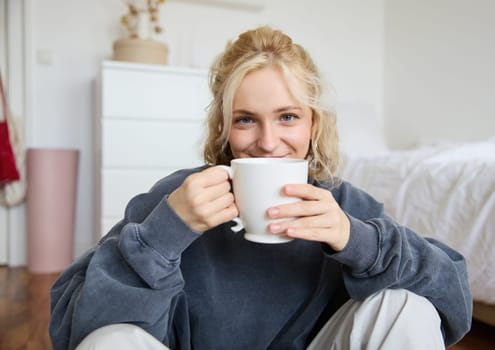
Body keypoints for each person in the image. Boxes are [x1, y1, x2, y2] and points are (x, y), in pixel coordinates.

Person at [49, 26, 472, 350]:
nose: (268, 142)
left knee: (406, 308)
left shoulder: (344, 206)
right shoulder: (177, 197)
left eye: (287, 116)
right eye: (246, 119)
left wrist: (356, 240)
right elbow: (72, 321)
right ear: (224, 128)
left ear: (313, 123)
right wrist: (163, 235)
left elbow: (453, 295)